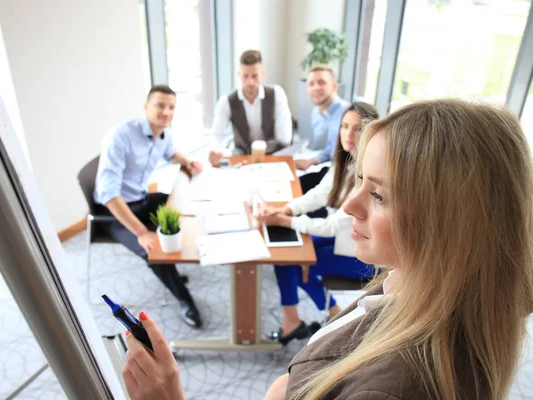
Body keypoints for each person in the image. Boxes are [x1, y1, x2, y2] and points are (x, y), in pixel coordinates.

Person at [120, 99, 533, 400]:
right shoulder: (404, 283)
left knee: (300, 256)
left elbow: (331, 217)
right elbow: (320, 197)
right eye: (362, 185)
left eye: (380, 196)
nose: (353, 204)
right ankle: (291, 317)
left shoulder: (393, 389)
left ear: (449, 222)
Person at [259, 102, 379, 346]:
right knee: (285, 256)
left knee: (302, 266)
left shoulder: (370, 174)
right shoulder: (346, 161)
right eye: (345, 126)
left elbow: (330, 226)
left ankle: (334, 313)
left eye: (357, 129)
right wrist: (286, 209)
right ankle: (292, 321)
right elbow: (318, 194)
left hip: (359, 252)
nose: (348, 134)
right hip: (341, 238)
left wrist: (285, 220)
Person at [94, 85, 204, 328]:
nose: (166, 112)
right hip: (114, 212)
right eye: (160, 105)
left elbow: (169, 153)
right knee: (155, 251)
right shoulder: (121, 136)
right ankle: (186, 301)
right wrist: (141, 232)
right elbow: (108, 194)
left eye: (171, 107)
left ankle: (177, 262)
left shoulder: (163, 133)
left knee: (180, 206)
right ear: (146, 107)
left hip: (141, 199)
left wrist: (187, 160)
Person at [208, 50, 292, 165]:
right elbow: (216, 135)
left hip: (271, 155)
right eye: (245, 76)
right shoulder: (226, 101)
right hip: (242, 156)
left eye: (255, 76)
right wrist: (214, 150)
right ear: (239, 74)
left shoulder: (276, 93)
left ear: (262, 74)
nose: (250, 82)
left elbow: (285, 138)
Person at [296, 65, 350, 196]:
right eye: (311, 84)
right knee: (291, 187)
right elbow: (332, 148)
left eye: (322, 82)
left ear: (334, 86)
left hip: (345, 178)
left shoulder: (348, 114)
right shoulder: (316, 113)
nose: (316, 88)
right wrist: (311, 161)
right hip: (331, 170)